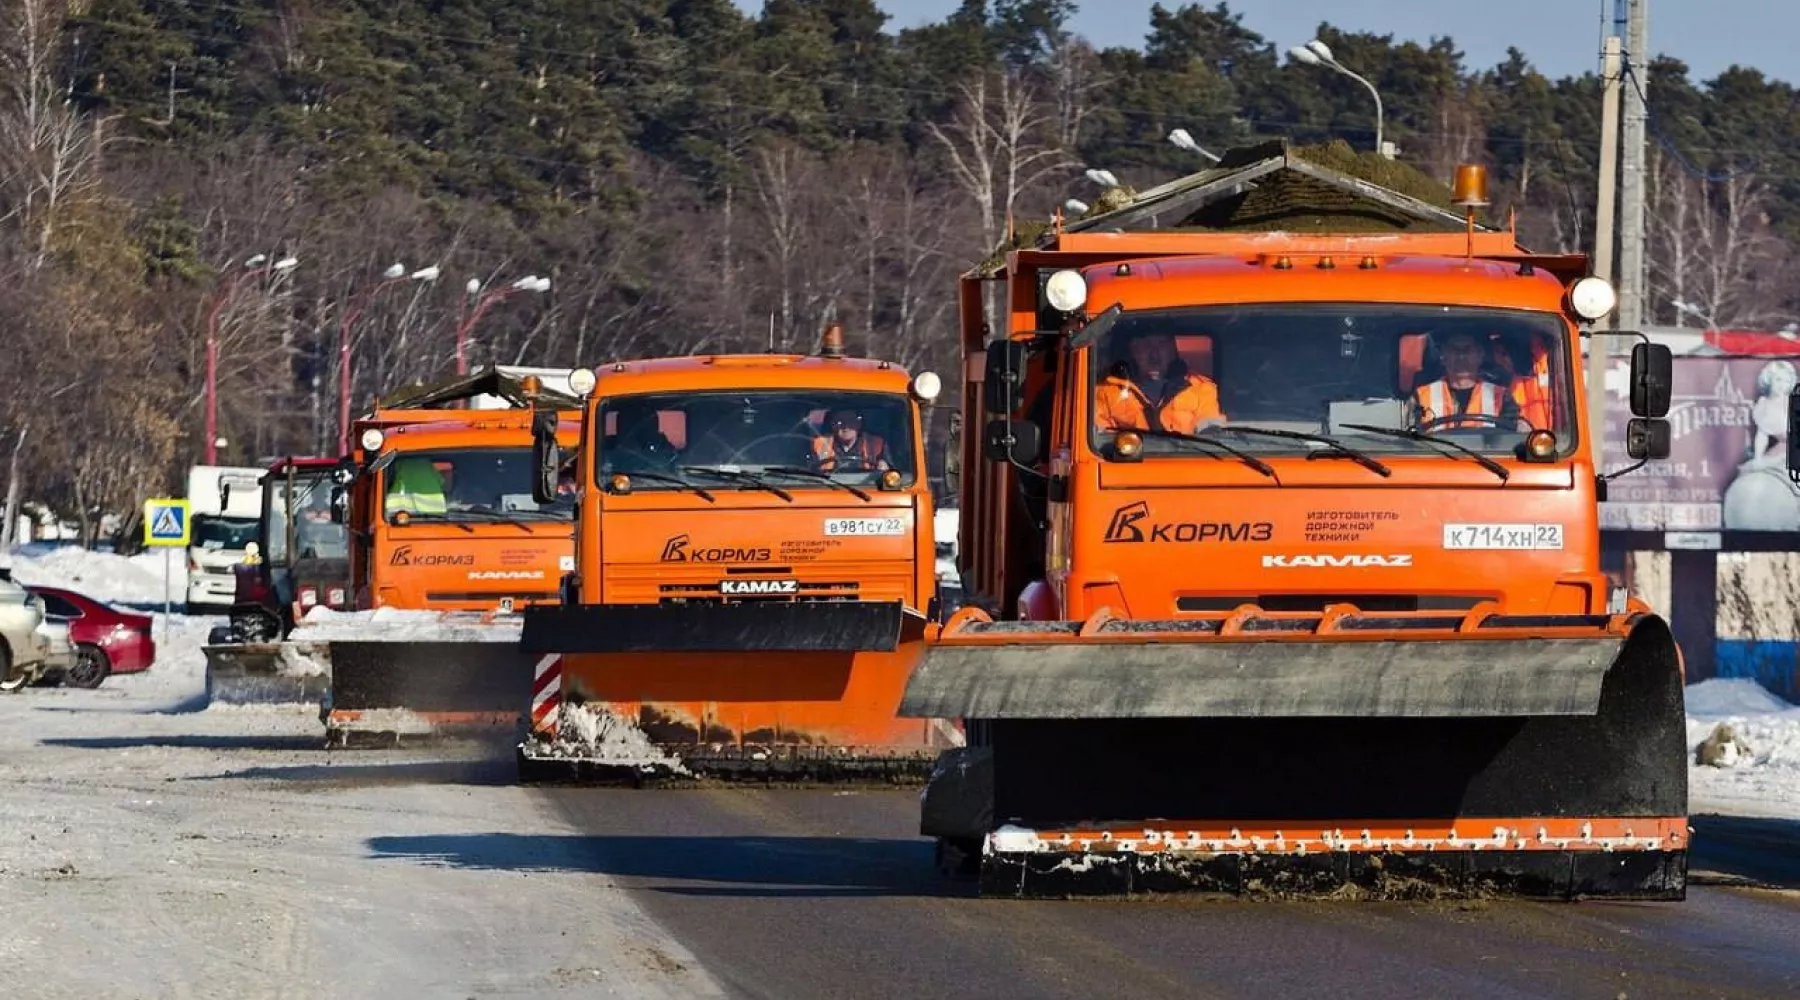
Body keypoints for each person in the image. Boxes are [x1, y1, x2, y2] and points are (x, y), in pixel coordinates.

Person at [1093, 329, 1224, 435]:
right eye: (1145, 346)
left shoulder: (1201, 389)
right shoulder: (1104, 393)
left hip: (1186, 463)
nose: (1154, 355)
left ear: (1173, 350)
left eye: (1161, 345)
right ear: (1133, 351)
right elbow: (1100, 441)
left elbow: (1212, 438)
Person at [1413, 330, 1519, 430]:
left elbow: (1511, 438)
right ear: (1443, 356)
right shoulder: (1420, 397)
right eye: (1454, 349)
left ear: (1480, 355)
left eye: (1467, 349)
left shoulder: (1502, 397)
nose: (1461, 356)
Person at [811, 408, 889, 472]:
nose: (846, 426)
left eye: (851, 420)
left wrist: (884, 467)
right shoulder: (819, 444)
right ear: (833, 425)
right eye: (840, 422)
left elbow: (893, 476)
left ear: (859, 424)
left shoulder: (877, 444)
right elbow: (807, 472)